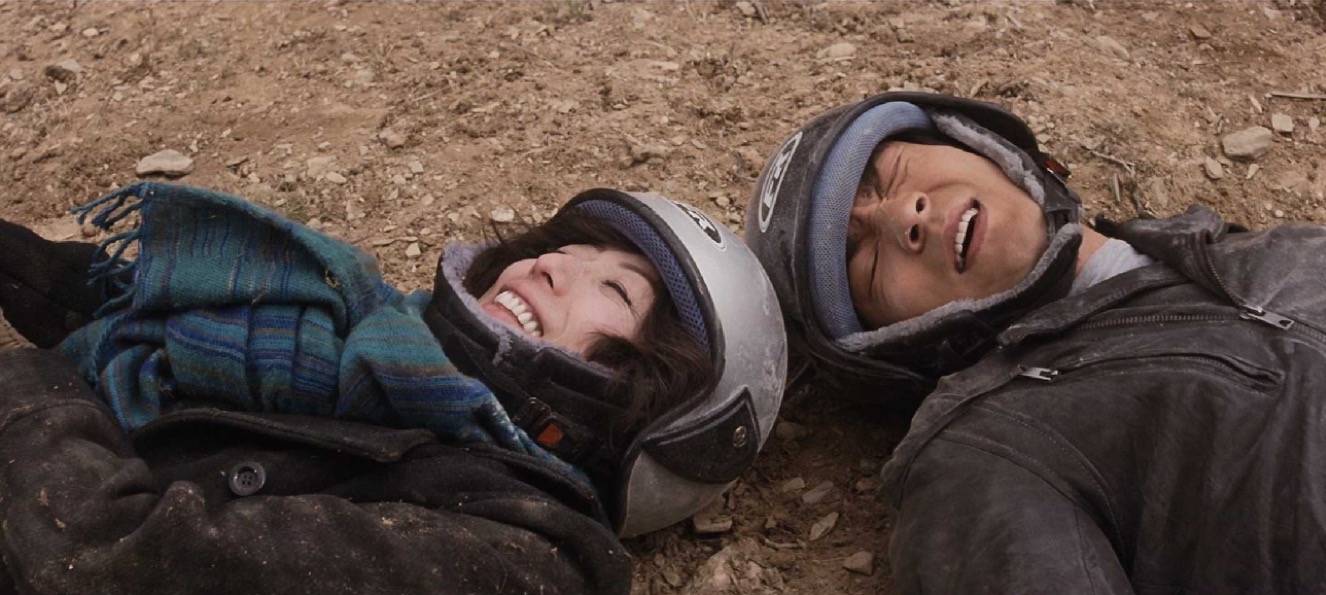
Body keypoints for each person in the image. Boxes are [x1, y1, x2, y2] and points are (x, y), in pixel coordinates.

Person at [745, 91, 1326, 593]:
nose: (902, 216)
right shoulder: (986, 456)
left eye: (889, 173)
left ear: (975, 142)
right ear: (894, 346)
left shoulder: (1284, 247)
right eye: (863, 262)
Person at [0, 182, 786, 594]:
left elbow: (108, 561)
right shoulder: (364, 333)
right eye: (571, 250)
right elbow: (134, 311)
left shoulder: (525, 556)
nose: (551, 264)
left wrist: (34, 387)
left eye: (614, 289)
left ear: (651, 411)